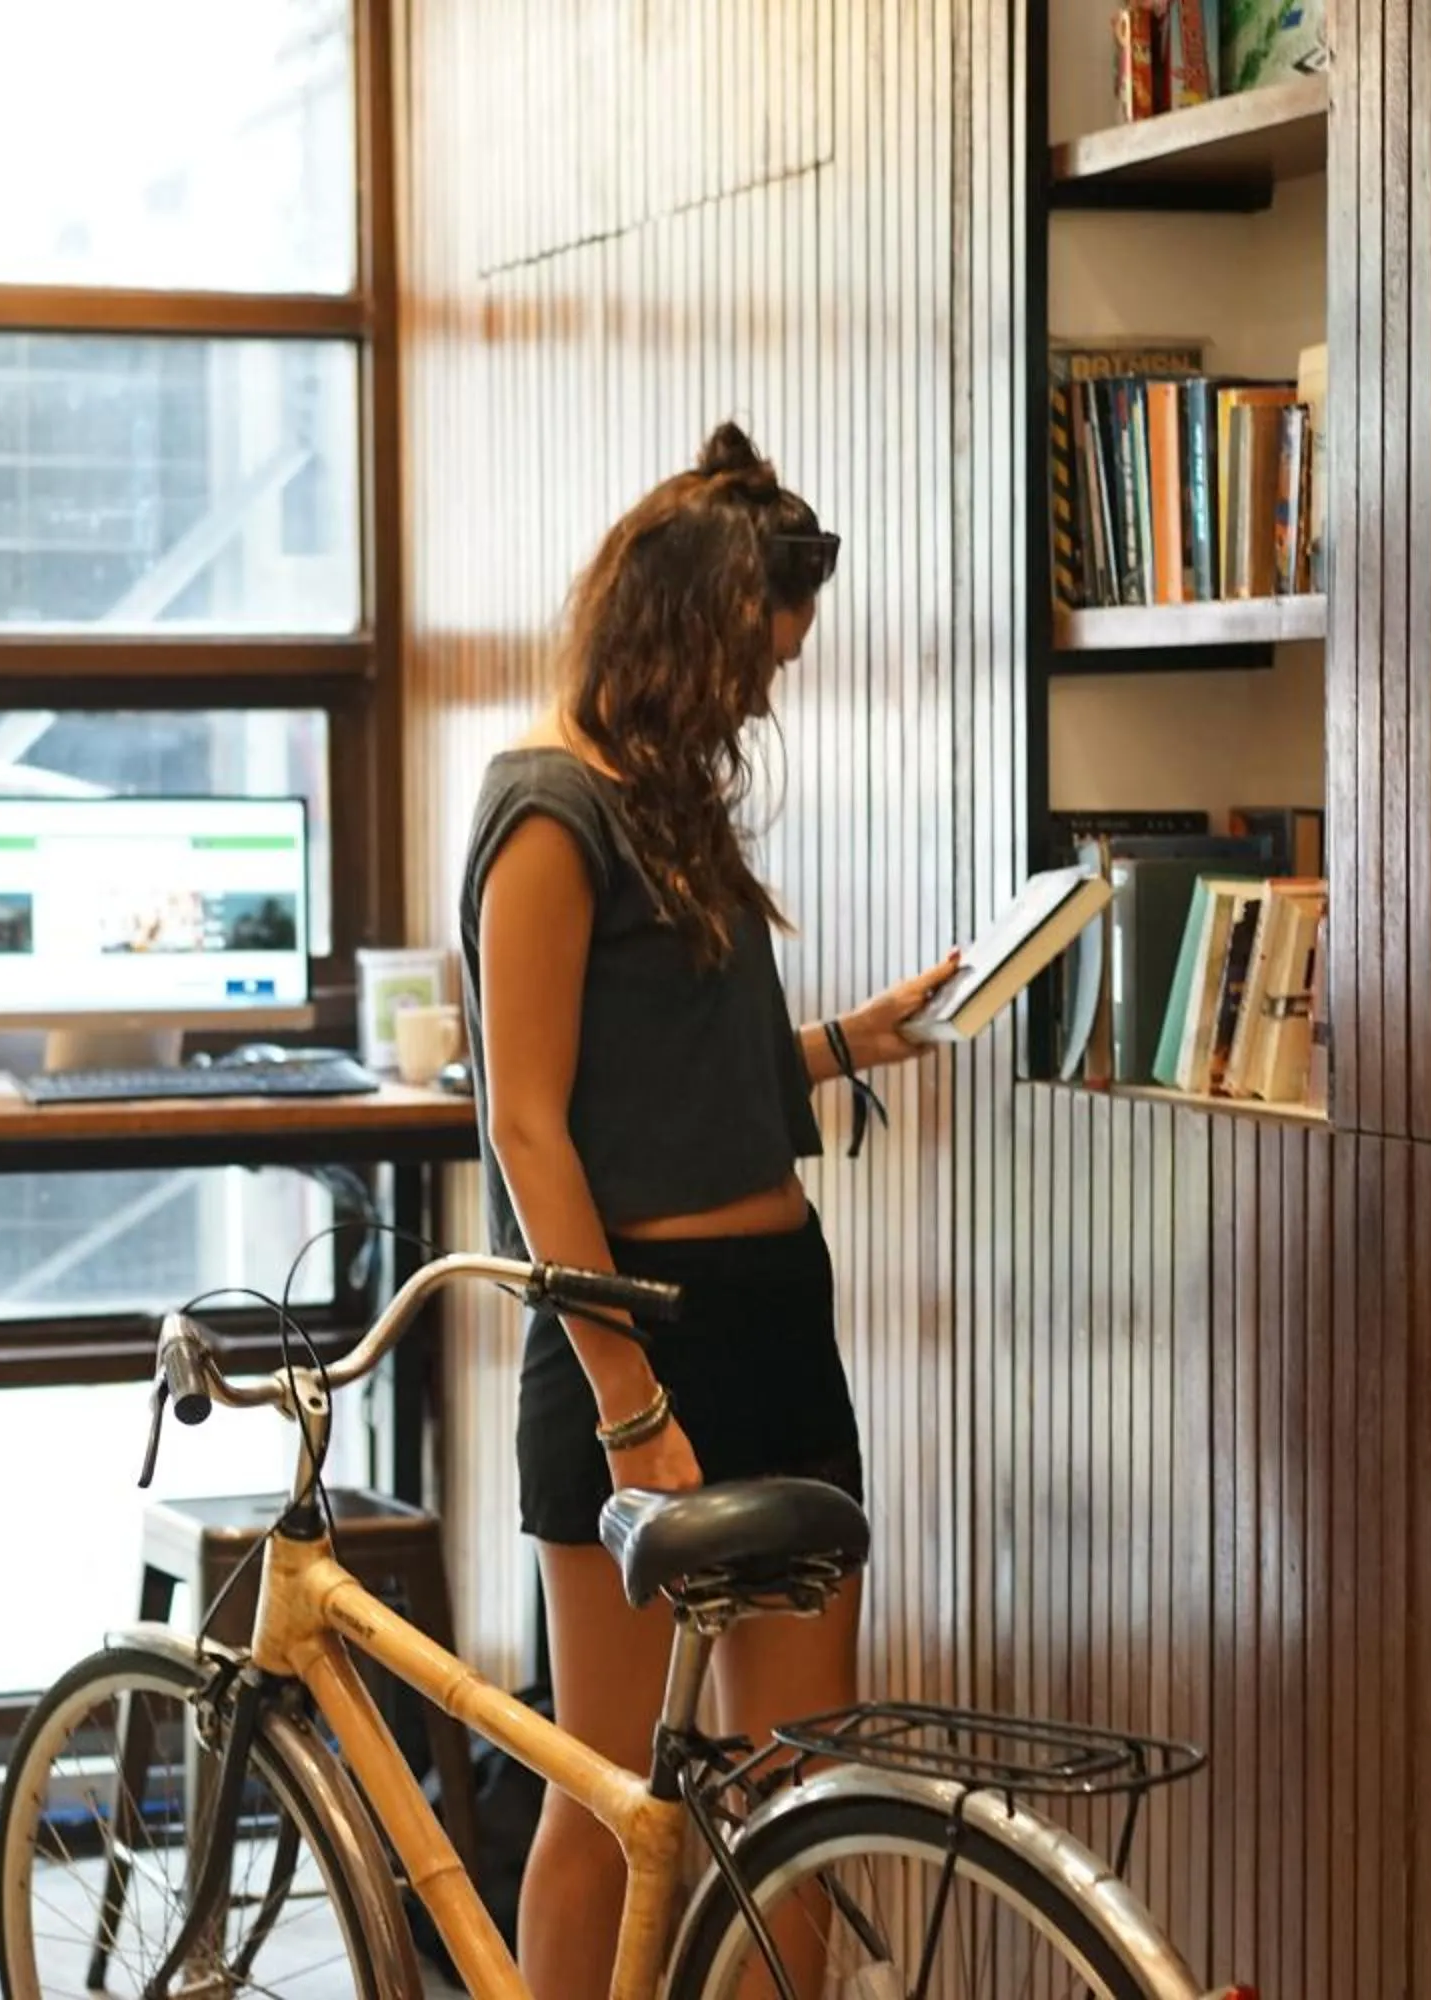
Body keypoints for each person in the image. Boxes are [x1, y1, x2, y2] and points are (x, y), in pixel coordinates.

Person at [456, 421, 958, 1999]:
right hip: (631, 1340)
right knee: (615, 1795)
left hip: (775, 1322)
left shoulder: (674, 804)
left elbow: (676, 1083)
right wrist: (625, 1406)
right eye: (754, 659)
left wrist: (845, 1044)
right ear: (677, 633)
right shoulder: (550, 809)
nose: (763, 696)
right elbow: (530, 1129)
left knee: (793, 1795)